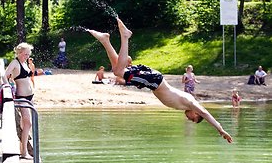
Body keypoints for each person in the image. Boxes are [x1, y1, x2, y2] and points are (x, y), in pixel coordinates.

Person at [86, 17, 233, 143]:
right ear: (196, 114)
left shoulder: (187, 101)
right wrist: (220, 130)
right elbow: (206, 114)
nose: (189, 119)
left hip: (154, 80)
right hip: (154, 81)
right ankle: (125, 36)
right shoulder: (191, 103)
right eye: (193, 119)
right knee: (119, 71)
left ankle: (105, 40)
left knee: (117, 68)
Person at [3, 42, 34, 159]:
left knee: (25, 123)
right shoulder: (15, 62)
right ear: (19, 53)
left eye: (28, 54)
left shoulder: (24, 62)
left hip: (30, 96)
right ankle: (24, 152)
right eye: (25, 54)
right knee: (28, 123)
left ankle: (24, 145)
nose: (27, 56)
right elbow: (4, 76)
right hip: (22, 96)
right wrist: (7, 87)